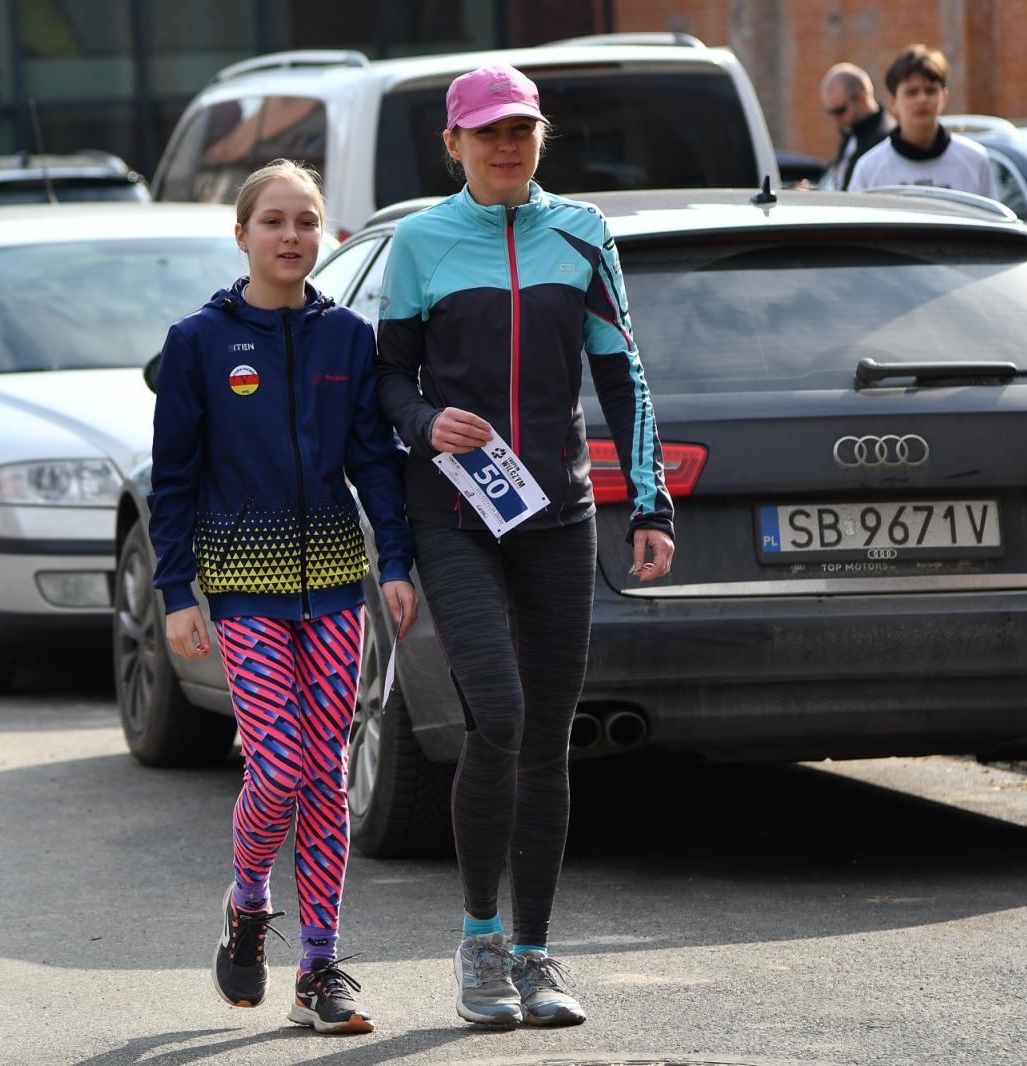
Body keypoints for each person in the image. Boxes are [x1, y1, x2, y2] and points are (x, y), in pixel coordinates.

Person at [376, 65, 675, 1028]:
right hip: (453, 513)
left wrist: (652, 503)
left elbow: (624, 373)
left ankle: (536, 953)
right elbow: (388, 378)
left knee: (547, 737)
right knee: (497, 717)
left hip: (557, 514)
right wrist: (426, 422)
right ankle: (478, 939)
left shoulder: (583, 233)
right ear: (454, 145)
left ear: (540, 139)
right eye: (487, 132)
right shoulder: (420, 241)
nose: (505, 146)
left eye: (521, 130)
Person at [148, 159, 418, 1036]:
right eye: (273, 220)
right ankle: (250, 896)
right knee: (279, 768)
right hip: (241, 588)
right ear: (242, 234)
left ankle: (319, 968)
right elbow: (172, 478)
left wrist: (395, 563)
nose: (291, 236)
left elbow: (374, 460)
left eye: (306, 221)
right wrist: (176, 591)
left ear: (324, 234)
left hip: (336, 585)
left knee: (326, 775)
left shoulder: (347, 339)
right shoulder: (198, 342)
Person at [848, 44, 993, 197]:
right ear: (893, 102)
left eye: (930, 91)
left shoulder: (974, 160)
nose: (922, 99)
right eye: (912, 92)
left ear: (944, 97)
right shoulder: (869, 169)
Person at [818, 62, 896, 190]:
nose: (837, 119)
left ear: (862, 98)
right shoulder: (852, 134)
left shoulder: (886, 137)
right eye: (832, 112)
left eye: (840, 110)